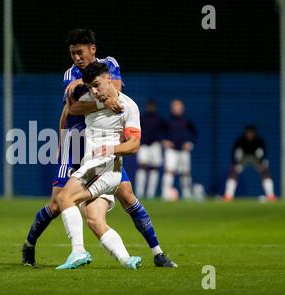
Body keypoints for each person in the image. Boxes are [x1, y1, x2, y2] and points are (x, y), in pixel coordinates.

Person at [22, 28, 176, 269]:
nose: (76, 58)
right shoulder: (69, 74)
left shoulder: (109, 64)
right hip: (76, 142)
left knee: (127, 196)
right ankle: (29, 245)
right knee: (56, 204)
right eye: (72, 53)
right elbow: (75, 109)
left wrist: (107, 98)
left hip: (101, 144)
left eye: (80, 52)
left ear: (92, 49)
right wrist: (104, 101)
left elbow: (114, 90)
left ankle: (157, 253)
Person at [56, 62, 143, 269]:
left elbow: (134, 145)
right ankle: (127, 260)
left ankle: (78, 251)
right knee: (94, 220)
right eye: (90, 87)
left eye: (97, 85)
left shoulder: (128, 106)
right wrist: (62, 141)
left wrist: (111, 149)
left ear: (109, 80)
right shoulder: (90, 100)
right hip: (96, 166)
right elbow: (70, 109)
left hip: (105, 166)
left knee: (63, 197)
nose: (94, 91)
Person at [223, 125, 277, 201]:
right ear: (245, 133)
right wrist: (235, 163)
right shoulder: (240, 141)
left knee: (265, 171)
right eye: (248, 132)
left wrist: (262, 164)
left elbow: (263, 154)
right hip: (243, 158)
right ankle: (228, 195)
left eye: (251, 133)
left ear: (254, 133)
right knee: (233, 172)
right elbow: (235, 154)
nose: (249, 134)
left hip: (256, 158)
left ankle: (270, 195)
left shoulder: (259, 141)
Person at [161, 99, 197, 200]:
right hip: (171, 151)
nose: (177, 109)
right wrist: (164, 141)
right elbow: (160, 133)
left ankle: (187, 194)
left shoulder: (186, 121)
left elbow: (194, 133)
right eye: (175, 107)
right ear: (171, 109)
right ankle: (166, 194)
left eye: (179, 107)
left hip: (183, 151)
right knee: (169, 171)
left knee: (185, 172)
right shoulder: (167, 121)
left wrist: (190, 143)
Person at [135, 99, 164, 199]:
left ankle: (150, 194)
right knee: (142, 167)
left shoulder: (159, 118)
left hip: (155, 145)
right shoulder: (142, 117)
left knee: (154, 168)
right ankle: (139, 193)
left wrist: (161, 140)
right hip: (144, 145)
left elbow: (164, 131)